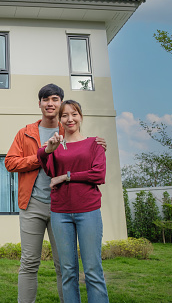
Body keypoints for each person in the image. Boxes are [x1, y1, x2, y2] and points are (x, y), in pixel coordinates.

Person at [5, 85, 106, 303]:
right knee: (29, 262)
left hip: (62, 205)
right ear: (39, 104)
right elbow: (10, 162)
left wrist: (97, 145)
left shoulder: (68, 129)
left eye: (55, 99)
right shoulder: (25, 133)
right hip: (32, 204)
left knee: (64, 265)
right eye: (45, 99)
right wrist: (42, 155)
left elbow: (84, 155)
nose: (50, 103)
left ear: (61, 103)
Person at [37, 99, 109, 303]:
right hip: (60, 213)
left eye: (74, 114)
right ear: (60, 120)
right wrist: (48, 150)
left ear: (81, 117)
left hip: (88, 211)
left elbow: (99, 175)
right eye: (65, 115)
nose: (70, 119)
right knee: (68, 271)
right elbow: (48, 168)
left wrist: (66, 176)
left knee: (93, 270)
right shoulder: (56, 145)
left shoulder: (94, 143)